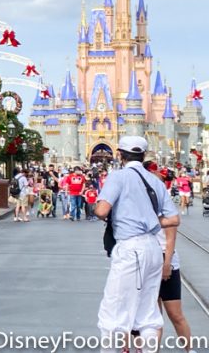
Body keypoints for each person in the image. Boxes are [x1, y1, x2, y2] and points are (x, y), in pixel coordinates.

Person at [95, 136, 180, 353]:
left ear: (120, 155)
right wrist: (148, 219)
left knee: (114, 309)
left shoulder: (119, 177)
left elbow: (102, 210)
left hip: (130, 247)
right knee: (148, 312)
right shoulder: (154, 180)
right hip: (153, 249)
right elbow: (173, 219)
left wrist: (121, 216)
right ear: (143, 156)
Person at [146, 162, 197, 353]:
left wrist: (166, 264)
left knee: (175, 314)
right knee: (152, 316)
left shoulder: (166, 206)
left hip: (165, 262)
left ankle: (189, 350)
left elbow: (170, 239)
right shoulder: (141, 205)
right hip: (147, 262)